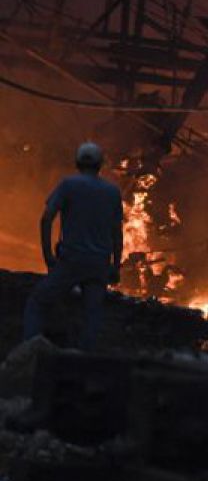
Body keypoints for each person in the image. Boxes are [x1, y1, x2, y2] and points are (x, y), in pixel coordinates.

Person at [22, 142, 123, 351]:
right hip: (98, 264)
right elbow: (116, 233)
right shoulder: (112, 192)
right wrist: (116, 266)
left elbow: (46, 219)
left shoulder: (68, 185)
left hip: (71, 261)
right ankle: (82, 363)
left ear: (77, 162)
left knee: (38, 302)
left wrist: (48, 255)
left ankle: (31, 353)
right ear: (100, 165)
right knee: (92, 316)